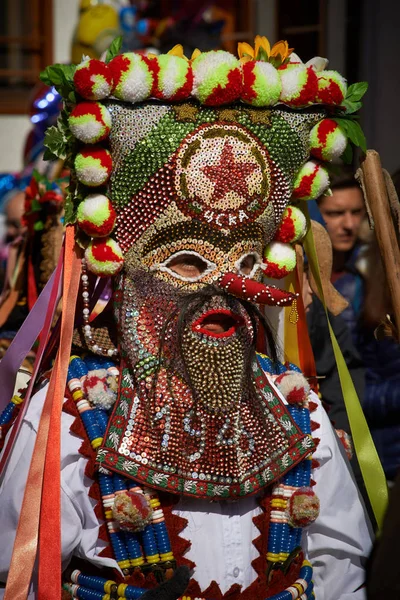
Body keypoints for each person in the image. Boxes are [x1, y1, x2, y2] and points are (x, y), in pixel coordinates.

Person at [0, 38, 374, 599]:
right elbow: (22, 578)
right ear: (125, 272)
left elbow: (340, 562)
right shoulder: (69, 419)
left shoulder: (298, 411)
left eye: (247, 262)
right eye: (190, 262)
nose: (230, 286)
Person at [317, 168, 367, 340]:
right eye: (336, 213)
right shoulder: (293, 276)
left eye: (356, 212)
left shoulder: (372, 271)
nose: (349, 224)